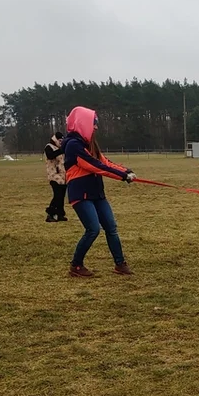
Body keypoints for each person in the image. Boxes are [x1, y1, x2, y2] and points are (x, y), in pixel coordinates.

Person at [62, 106, 137, 278]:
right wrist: (122, 176)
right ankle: (76, 266)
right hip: (81, 194)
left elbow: (106, 162)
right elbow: (95, 166)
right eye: (93, 123)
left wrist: (125, 171)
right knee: (93, 229)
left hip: (97, 193)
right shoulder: (73, 146)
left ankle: (120, 264)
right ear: (83, 123)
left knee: (111, 227)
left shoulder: (90, 144)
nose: (96, 127)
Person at [44, 131, 68, 222]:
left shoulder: (59, 148)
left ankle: (60, 214)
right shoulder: (49, 147)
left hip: (63, 176)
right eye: (60, 140)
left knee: (61, 196)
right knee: (57, 196)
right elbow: (50, 156)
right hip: (53, 175)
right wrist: (61, 150)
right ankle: (50, 214)